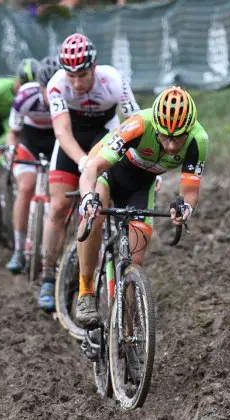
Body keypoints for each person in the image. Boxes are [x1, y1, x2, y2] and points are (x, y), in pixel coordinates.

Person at [75, 86, 208, 327]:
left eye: (177, 138)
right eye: (164, 137)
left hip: (141, 187)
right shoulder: (138, 124)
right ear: (155, 127)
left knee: (135, 260)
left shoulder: (198, 140)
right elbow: (93, 169)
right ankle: (85, 292)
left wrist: (185, 208)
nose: (170, 145)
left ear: (188, 131)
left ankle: (127, 331)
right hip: (109, 172)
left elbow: (189, 192)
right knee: (94, 216)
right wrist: (87, 198)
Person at [38, 33, 140, 311]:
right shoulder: (57, 85)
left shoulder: (114, 80)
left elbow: (135, 123)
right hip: (72, 143)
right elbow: (62, 132)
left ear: (94, 67)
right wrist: (83, 161)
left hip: (104, 136)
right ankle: (48, 274)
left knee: (97, 203)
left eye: (82, 75)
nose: (77, 83)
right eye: (71, 75)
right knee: (58, 205)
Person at [5, 56, 62, 274]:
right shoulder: (24, 97)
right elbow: (13, 133)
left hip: (56, 142)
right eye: (46, 89)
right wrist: (11, 150)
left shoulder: (67, 96)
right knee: (26, 187)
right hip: (30, 142)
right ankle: (18, 250)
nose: (51, 94)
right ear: (39, 87)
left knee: (56, 195)